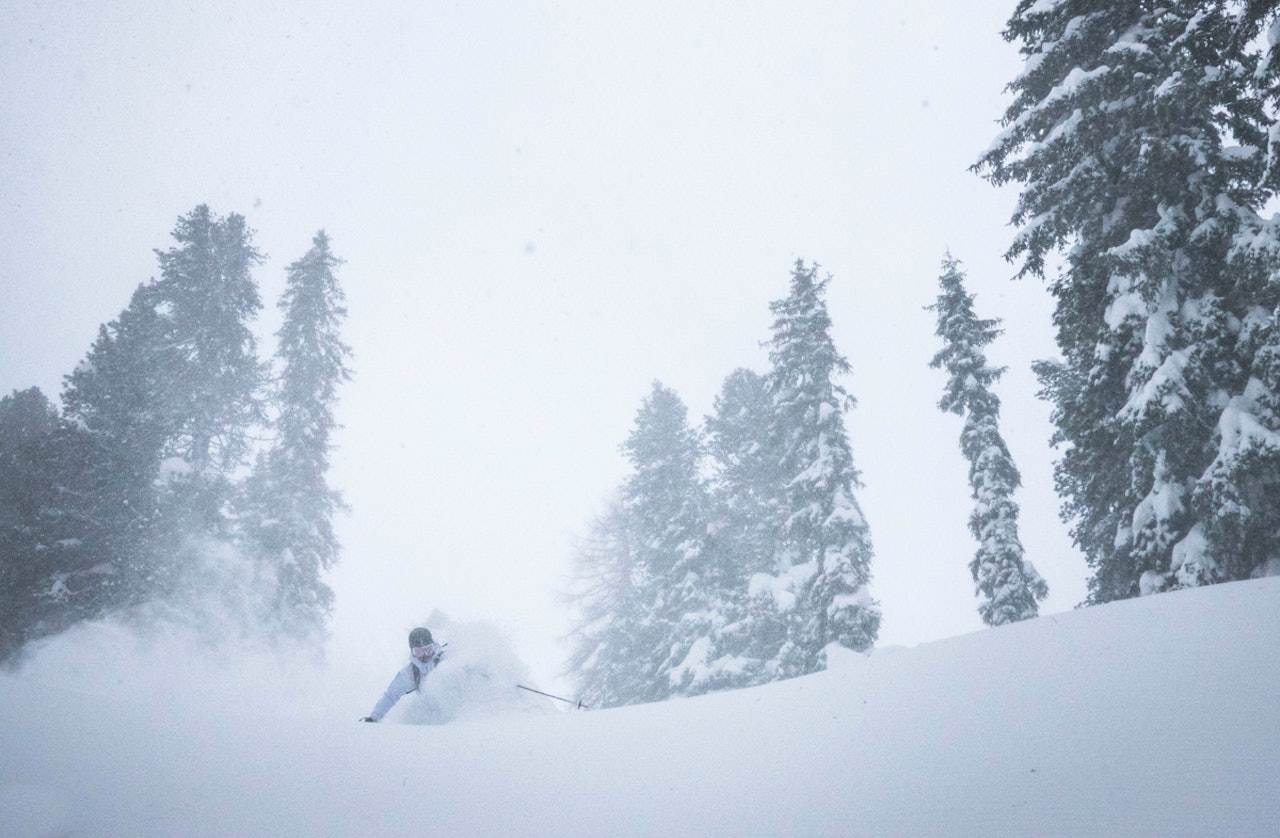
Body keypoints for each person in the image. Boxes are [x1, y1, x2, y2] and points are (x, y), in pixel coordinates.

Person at [360, 627, 446, 722]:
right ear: (412, 652)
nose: (425, 655)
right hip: (434, 716)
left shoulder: (445, 660)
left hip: (452, 714)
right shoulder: (411, 673)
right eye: (419, 652)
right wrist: (374, 717)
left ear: (433, 646)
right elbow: (390, 696)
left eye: (428, 650)